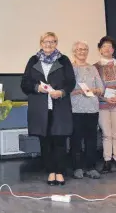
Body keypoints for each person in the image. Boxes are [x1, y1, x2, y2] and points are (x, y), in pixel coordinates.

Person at [21, 31, 76, 186]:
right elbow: (24, 83)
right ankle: (51, 171)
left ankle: (60, 172)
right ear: (41, 43)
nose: (49, 44)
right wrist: (37, 87)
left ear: (56, 43)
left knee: (59, 140)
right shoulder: (33, 60)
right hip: (40, 108)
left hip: (60, 107)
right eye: (46, 41)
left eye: (52, 42)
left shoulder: (64, 60)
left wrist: (62, 92)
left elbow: (71, 82)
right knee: (45, 142)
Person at [70, 41, 104, 179]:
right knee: (76, 139)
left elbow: (101, 89)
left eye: (85, 49)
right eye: (79, 49)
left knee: (91, 139)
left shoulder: (93, 68)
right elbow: (66, 89)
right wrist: (78, 91)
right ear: (74, 52)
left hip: (92, 108)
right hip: (76, 109)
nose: (82, 52)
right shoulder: (70, 69)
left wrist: (94, 90)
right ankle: (77, 167)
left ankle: (91, 167)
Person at [94, 36, 116, 175]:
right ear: (100, 49)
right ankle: (107, 161)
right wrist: (104, 98)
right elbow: (94, 88)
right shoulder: (94, 67)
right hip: (102, 104)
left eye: (110, 46)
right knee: (106, 134)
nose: (107, 48)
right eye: (104, 46)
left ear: (113, 49)